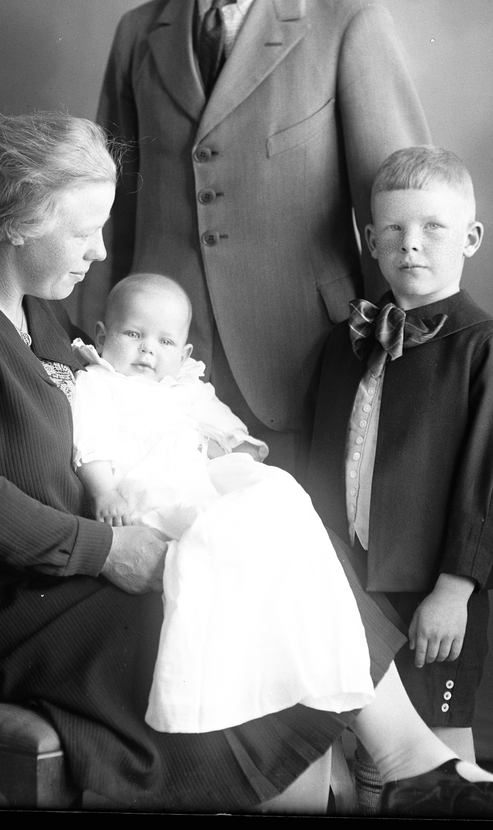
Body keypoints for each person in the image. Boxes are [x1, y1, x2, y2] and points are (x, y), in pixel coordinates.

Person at [0, 112, 493, 815]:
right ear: (18, 224)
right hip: (5, 608)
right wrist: (109, 551)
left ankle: (416, 768)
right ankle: (418, 777)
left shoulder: (35, 311)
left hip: (76, 570)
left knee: (276, 544)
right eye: (82, 232)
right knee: (250, 632)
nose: (100, 253)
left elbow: (118, 405)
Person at [89, 0, 431, 476]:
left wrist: (399, 369)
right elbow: (105, 212)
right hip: (155, 371)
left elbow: (400, 214)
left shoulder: (349, 21)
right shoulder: (139, 32)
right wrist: (92, 346)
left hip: (302, 363)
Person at [305, 146, 493, 812]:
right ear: (370, 240)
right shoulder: (343, 343)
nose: (411, 244)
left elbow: (491, 483)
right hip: (349, 578)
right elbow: (320, 461)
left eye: (433, 227)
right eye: (395, 229)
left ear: (470, 237)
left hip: (432, 590)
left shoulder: (485, 350)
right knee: (362, 740)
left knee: (438, 738)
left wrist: (453, 590)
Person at [70, 272, 375, 736]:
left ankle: (309, 654)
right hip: (146, 490)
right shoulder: (97, 382)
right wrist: (104, 492)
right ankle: (225, 684)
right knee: (216, 536)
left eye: (165, 341)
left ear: (184, 353)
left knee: (278, 490)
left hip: (195, 480)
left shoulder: (186, 386)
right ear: (101, 335)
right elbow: (91, 445)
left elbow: (230, 431)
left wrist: (234, 446)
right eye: (133, 334)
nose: (147, 350)